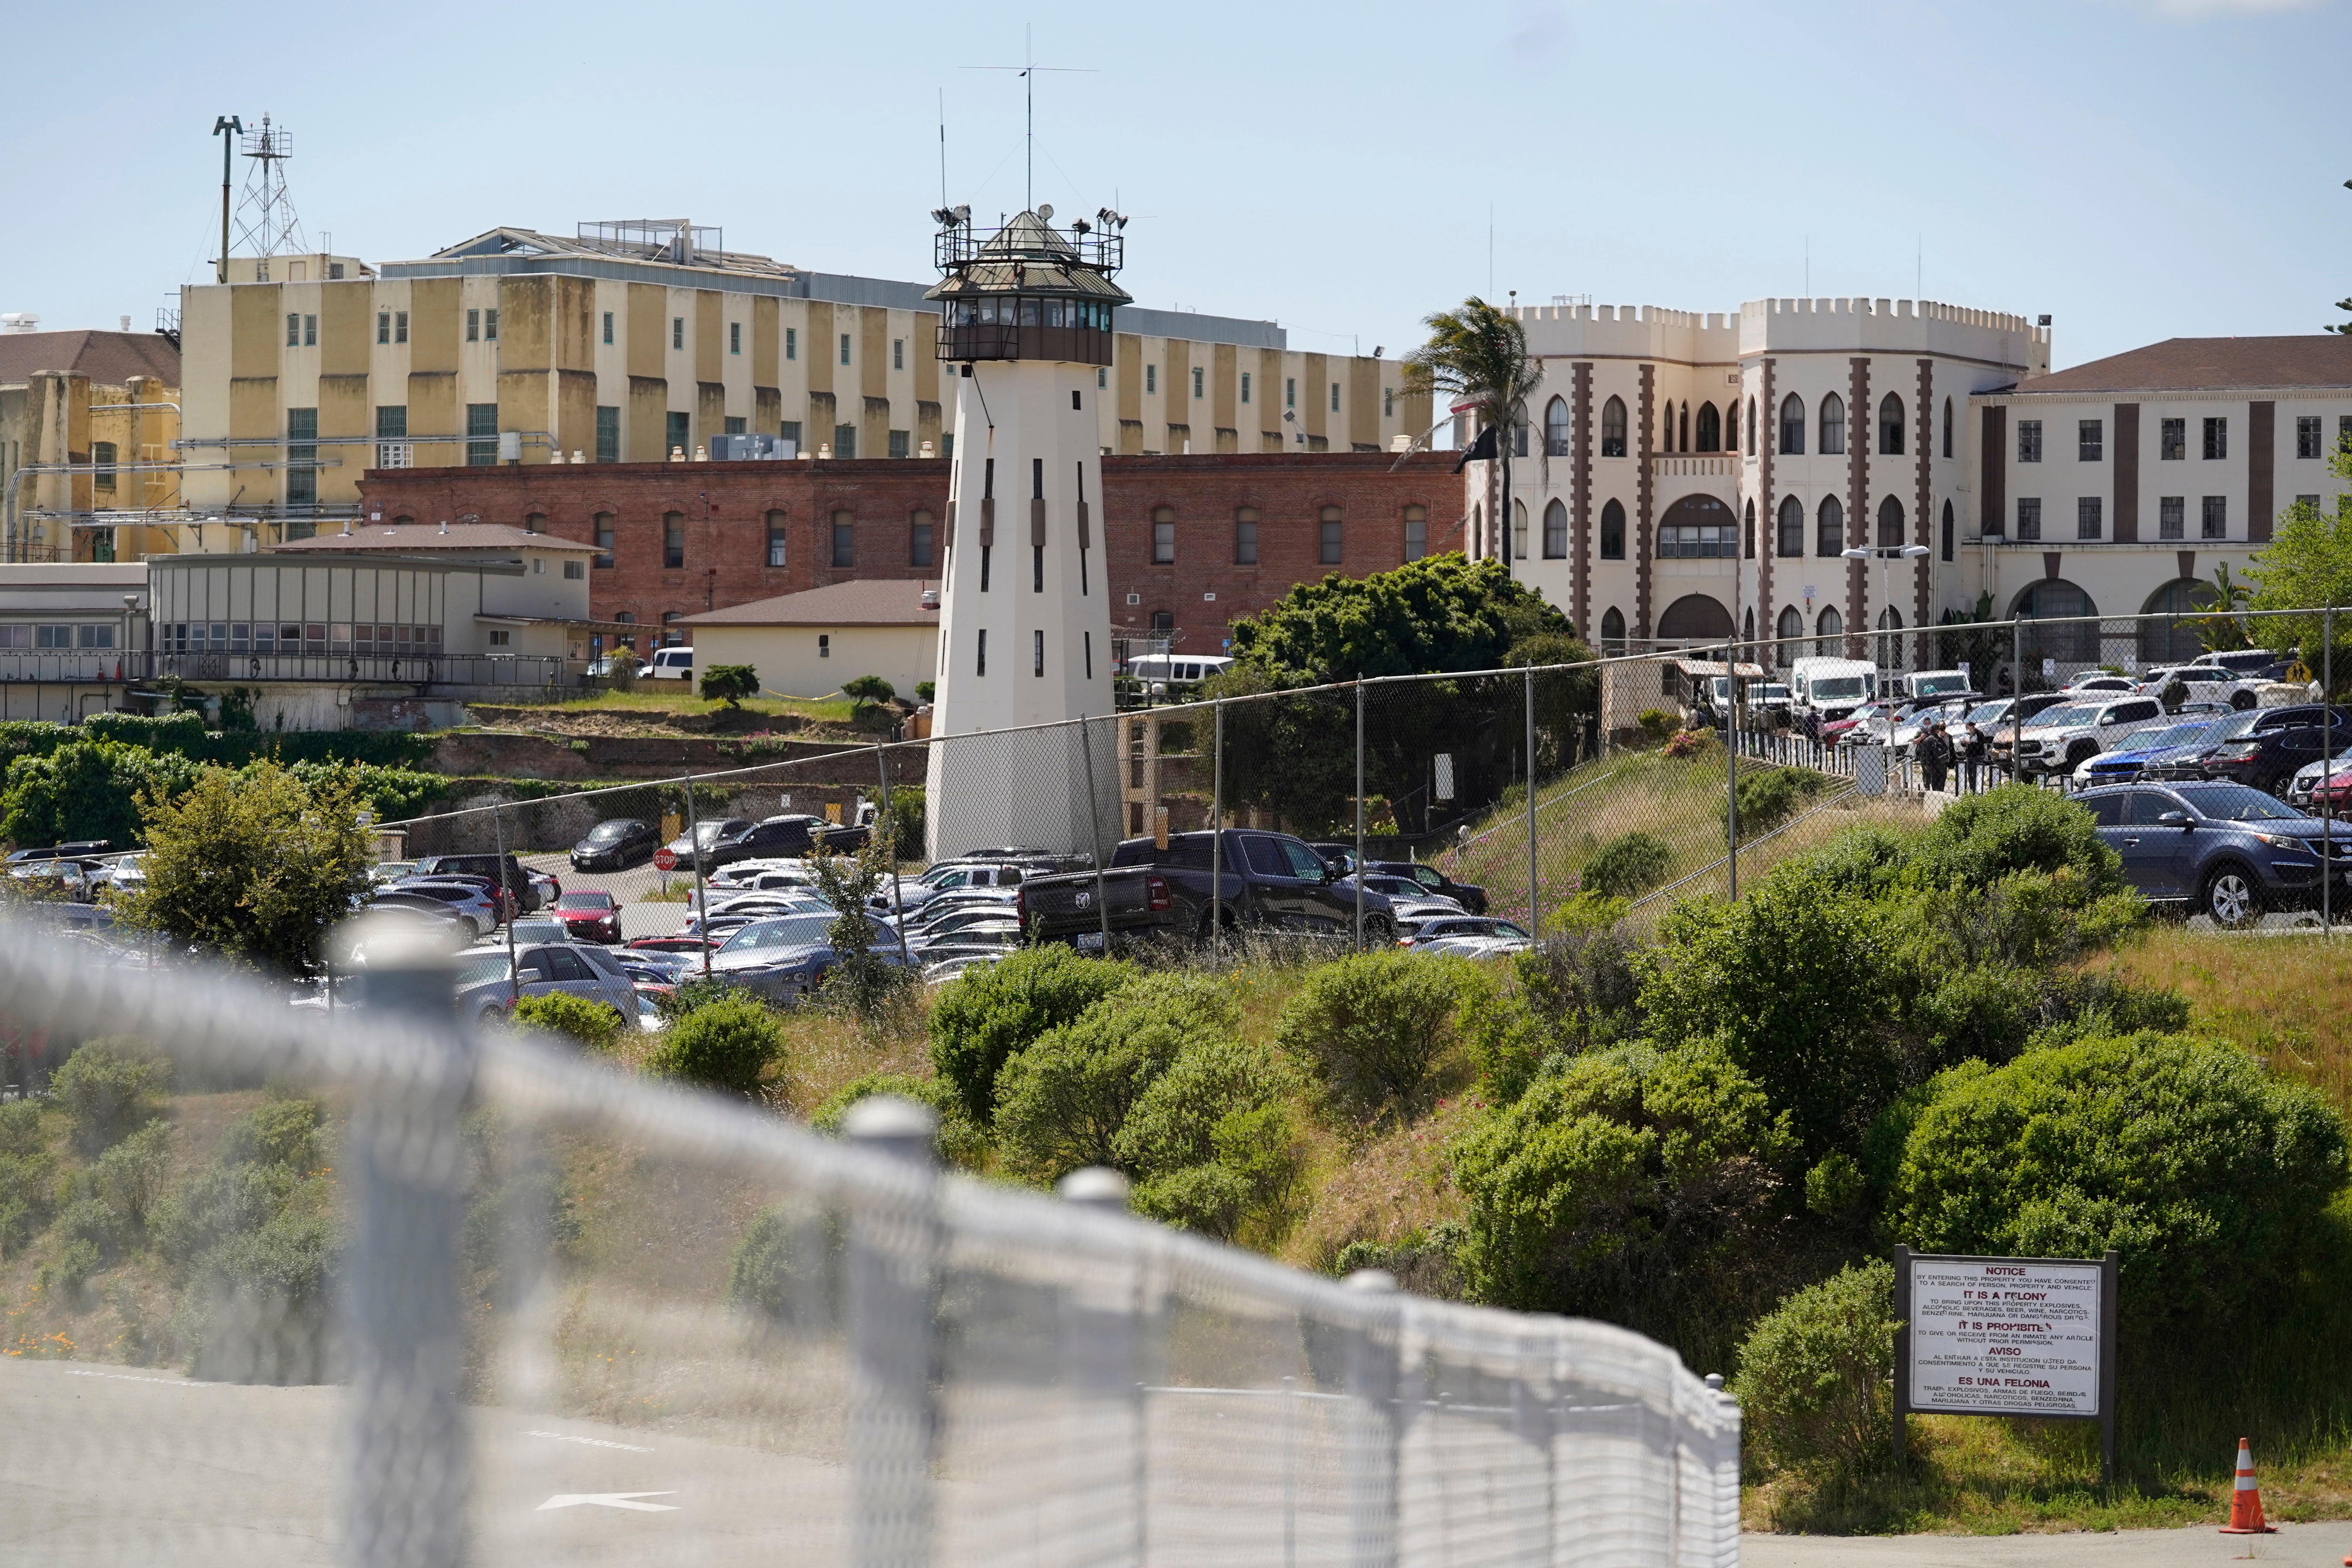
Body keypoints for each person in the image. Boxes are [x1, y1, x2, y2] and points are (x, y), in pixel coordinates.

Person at [1918, 722, 1952, 795]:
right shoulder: (1939, 738)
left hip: (1932, 763)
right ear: (1937, 730)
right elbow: (1946, 748)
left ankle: (1935, 792)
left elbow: (1925, 753)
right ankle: (1940, 791)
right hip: (1942, 761)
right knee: (1942, 777)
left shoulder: (1927, 740)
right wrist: (1940, 738)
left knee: (1934, 777)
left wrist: (1927, 763)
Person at [1959, 721, 1987, 793]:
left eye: (1967, 727)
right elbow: (1966, 745)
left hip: (1978, 756)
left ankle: (1978, 790)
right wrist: (1964, 743)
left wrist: (1971, 743)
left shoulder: (1979, 733)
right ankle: (1972, 790)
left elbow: (1981, 745)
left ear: (1972, 727)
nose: (1967, 729)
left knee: (1976, 774)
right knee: (1970, 774)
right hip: (1969, 757)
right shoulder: (1967, 734)